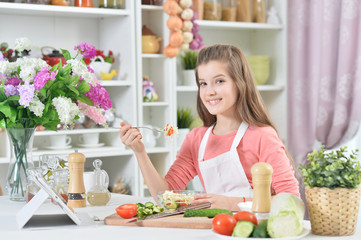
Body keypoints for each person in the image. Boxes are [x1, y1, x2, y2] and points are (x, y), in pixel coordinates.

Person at [119, 44, 299, 211]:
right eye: (203, 83)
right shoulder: (196, 139)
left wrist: (233, 204)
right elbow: (165, 198)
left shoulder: (262, 136)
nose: (209, 91)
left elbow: (291, 200)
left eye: (219, 81)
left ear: (240, 83)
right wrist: (140, 152)